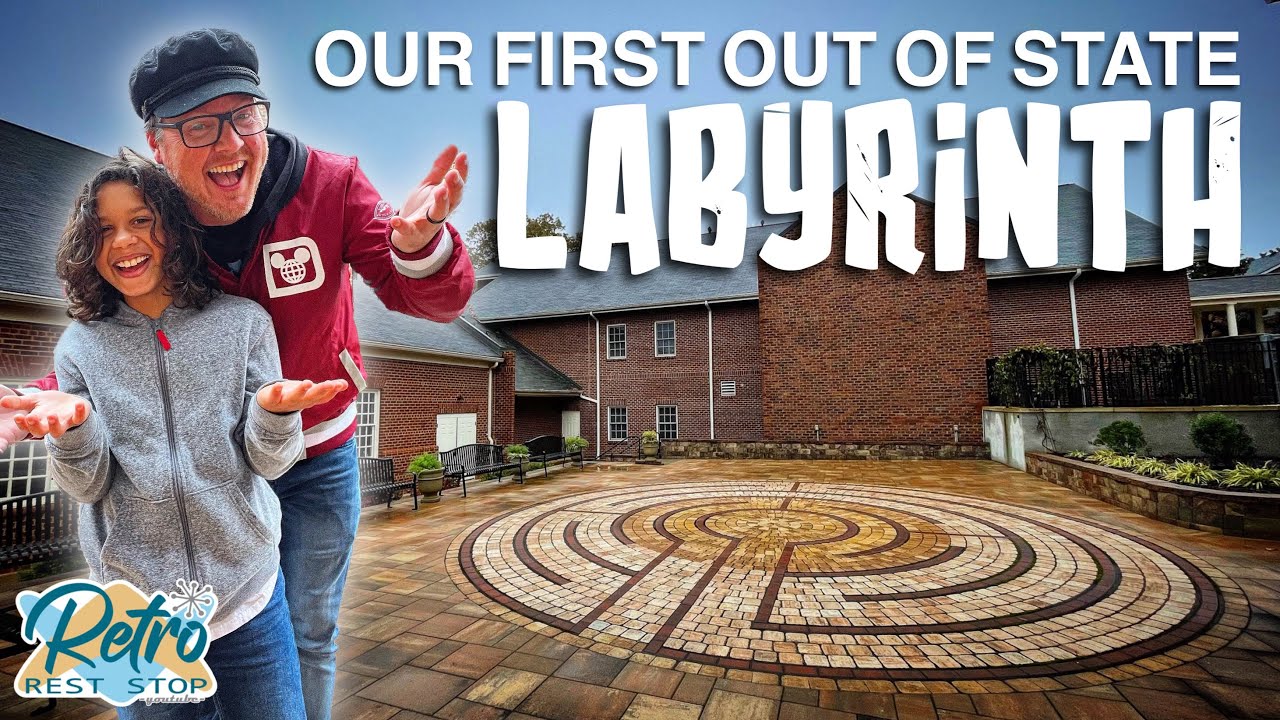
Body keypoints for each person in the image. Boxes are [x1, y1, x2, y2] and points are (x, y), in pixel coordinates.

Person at [1, 28, 475, 718]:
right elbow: (120, 336)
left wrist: (419, 245)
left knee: (307, 628)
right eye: (198, 126)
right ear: (157, 141)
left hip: (314, 453)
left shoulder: (332, 184)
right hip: (213, 465)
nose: (229, 144)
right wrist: (42, 399)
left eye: (243, 115)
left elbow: (428, 297)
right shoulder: (148, 214)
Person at [1, 151, 347, 717]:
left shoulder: (244, 324)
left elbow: (271, 464)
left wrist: (275, 413)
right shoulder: (80, 347)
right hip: (135, 620)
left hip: (249, 602)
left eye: (140, 220)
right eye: (104, 229)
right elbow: (87, 488)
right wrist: (77, 428)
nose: (122, 241)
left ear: (173, 226)